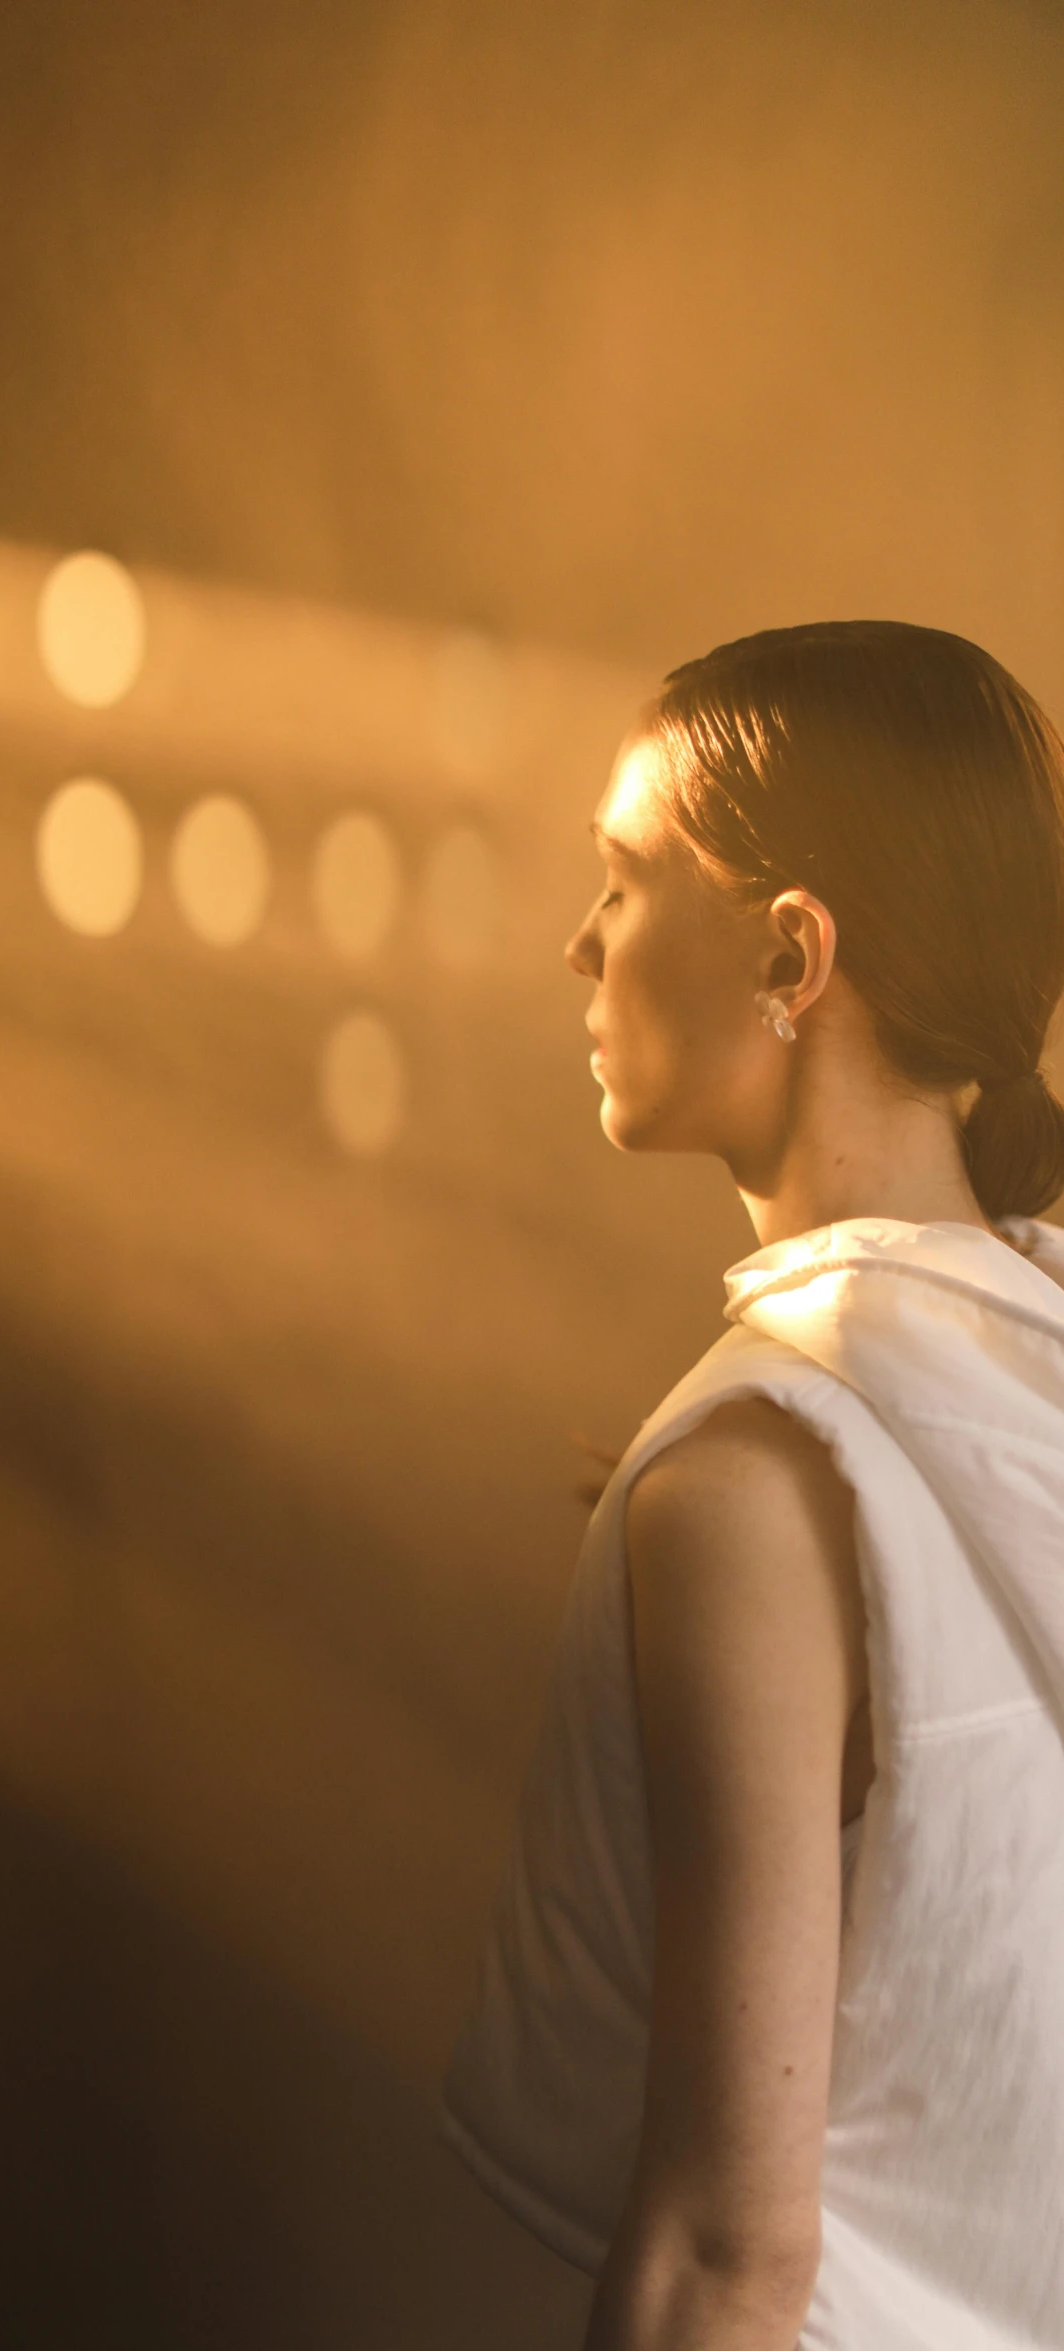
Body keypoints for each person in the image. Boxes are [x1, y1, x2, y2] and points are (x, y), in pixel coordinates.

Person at [440, 620, 1064, 2351]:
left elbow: (727, 2256)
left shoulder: (754, 1479)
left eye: (625, 879)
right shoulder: (1029, 1390)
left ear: (792, 952)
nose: (577, 939)